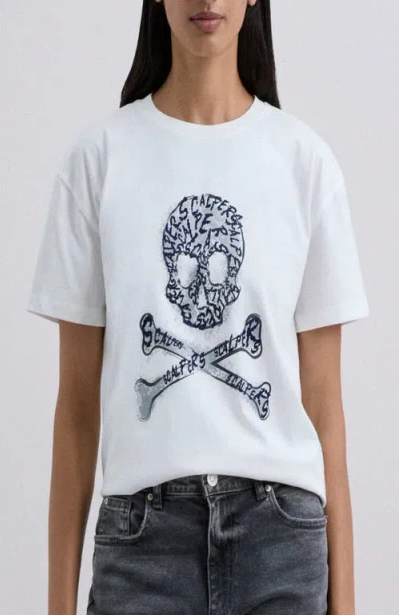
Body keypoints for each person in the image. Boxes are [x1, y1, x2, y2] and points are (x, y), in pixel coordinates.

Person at [26, 1, 370, 614]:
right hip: (141, 551)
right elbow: (75, 411)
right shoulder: (99, 160)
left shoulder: (305, 163)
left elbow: (326, 412)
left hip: (281, 543)